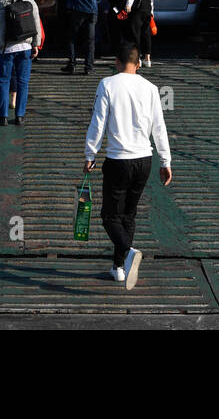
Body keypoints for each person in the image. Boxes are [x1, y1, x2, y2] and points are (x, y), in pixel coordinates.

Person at [83, 43, 173, 288]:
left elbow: (98, 123)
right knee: (128, 215)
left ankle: (128, 251)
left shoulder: (108, 85)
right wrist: (165, 161)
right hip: (144, 160)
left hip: (118, 160)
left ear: (116, 62)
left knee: (109, 216)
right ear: (139, 63)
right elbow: (159, 127)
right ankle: (118, 267)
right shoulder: (151, 88)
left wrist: (90, 154)